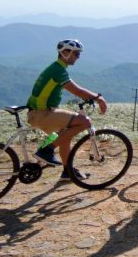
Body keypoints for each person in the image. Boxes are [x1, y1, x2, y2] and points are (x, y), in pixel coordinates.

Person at [28, 39, 108, 182]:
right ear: (65, 52)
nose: (78, 57)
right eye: (76, 54)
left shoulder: (56, 68)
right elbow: (76, 90)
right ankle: (47, 150)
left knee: (65, 135)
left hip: (39, 113)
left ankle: (67, 171)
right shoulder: (58, 70)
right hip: (42, 114)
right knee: (85, 121)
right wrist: (98, 98)